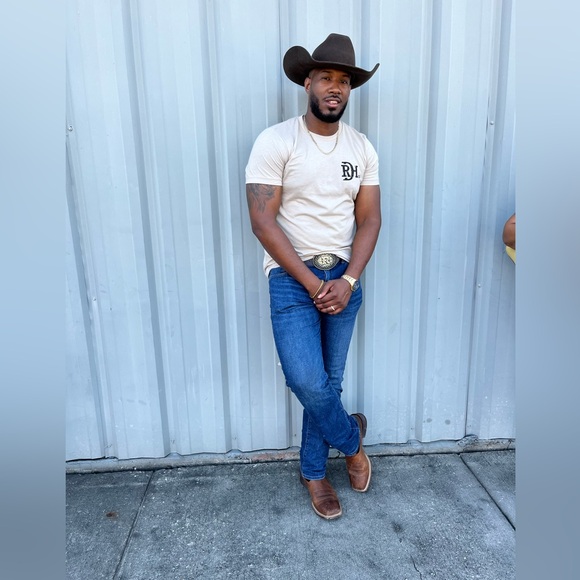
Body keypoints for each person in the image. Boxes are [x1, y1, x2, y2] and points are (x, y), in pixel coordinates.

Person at [245, 33, 381, 520]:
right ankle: (351, 441)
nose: (335, 87)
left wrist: (349, 280)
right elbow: (262, 221)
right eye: (326, 77)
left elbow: (370, 219)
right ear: (308, 83)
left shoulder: (361, 148)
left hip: (344, 276)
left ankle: (314, 473)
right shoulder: (276, 141)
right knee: (306, 379)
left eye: (344, 80)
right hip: (290, 276)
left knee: (329, 381)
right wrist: (311, 283)